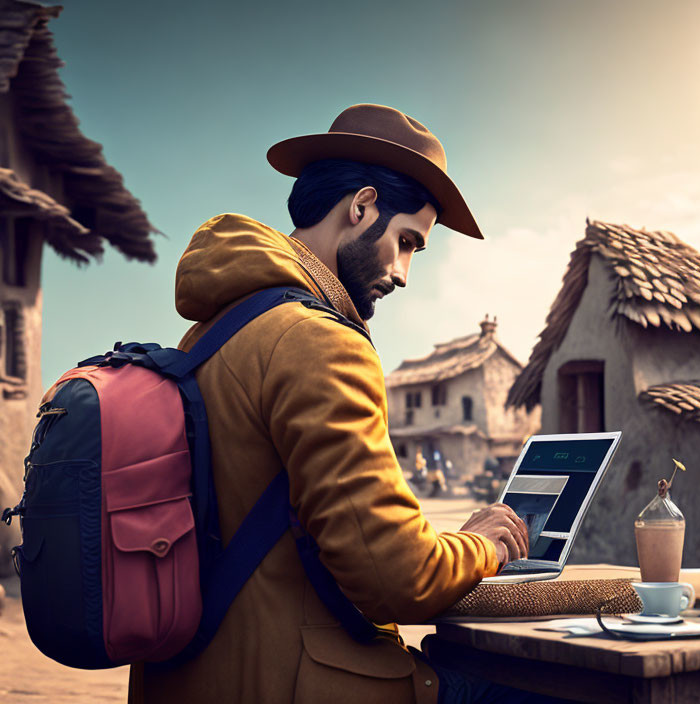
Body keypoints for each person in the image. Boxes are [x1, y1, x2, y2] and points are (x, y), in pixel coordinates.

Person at [129, 104, 536, 703]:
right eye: (406, 242)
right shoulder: (319, 341)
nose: (402, 274)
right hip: (295, 681)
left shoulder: (219, 327)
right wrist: (485, 544)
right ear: (361, 206)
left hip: (190, 677)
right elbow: (396, 574)